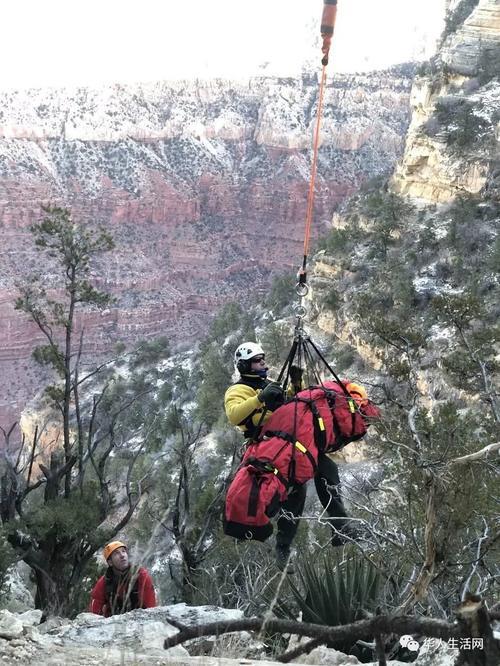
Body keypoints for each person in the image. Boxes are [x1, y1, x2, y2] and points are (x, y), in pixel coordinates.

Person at [225, 342, 360, 571]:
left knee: (328, 471)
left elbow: (291, 407)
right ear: (245, 365)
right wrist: (260, 399)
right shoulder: (238, 390)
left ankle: (340, 526)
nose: (263, 364)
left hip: (291, 441)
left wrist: (295, 387)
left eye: (263, 359)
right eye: (258, 361)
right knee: (295, 492)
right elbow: (234, 415)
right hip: (266, 447)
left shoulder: (269, 384)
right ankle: (283, 548)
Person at [89, 541, 157, 616]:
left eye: (123, 551)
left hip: (139, 620)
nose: (122, 555)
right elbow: (94, 610)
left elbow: (150, 607)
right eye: (116, 553)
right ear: (110, 562)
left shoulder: (141, 575)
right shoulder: (104, 582)